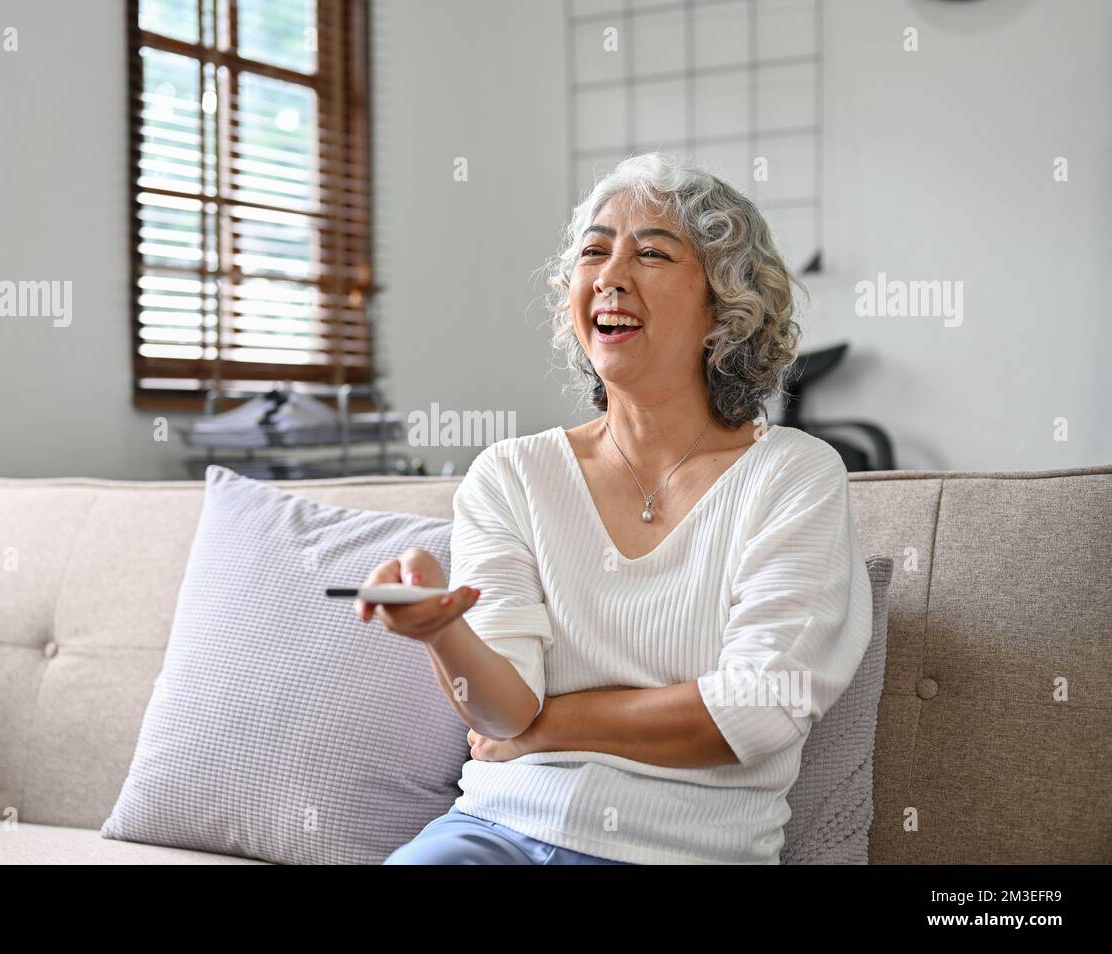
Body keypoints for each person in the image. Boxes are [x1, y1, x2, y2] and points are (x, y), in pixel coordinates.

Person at [356, 152, 872, 865]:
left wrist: (545, 730)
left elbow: (757, 710)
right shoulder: (511, 474)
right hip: (492, 834)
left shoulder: (793, 475)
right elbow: (502, 712)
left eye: (652, 252)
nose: (609, 276)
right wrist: (444, 633)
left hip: (683, 852)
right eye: (593, 252)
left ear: (726, 305)